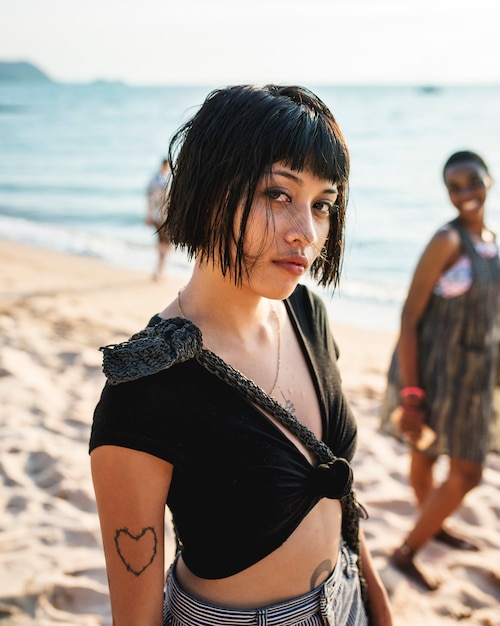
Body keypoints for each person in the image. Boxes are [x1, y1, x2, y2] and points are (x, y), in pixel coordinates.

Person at [90, 84, 393, 626]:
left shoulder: (307, 316)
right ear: (209, 190)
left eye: (322, 205)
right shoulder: (146, 389)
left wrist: (377, 602)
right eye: (279, 194)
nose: (306, 232)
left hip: (348, 599)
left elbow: (337, 485)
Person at [380, 150, 500, 591]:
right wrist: (412, 394)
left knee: (433, 456)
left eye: (473, 182)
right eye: (455, 187)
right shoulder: (447, 241)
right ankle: (407, 551)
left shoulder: (489, 238)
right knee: (464, 470)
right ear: (447, 194)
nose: (466, 192)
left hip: (473, 379)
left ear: (489, 179)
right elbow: (410, 316)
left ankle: (433, 519)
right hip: (433, 375)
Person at [146, 158, 173, 281]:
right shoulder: (164, 181)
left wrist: (149, 215)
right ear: (165, 166)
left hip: (158, 216)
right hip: (163, 217)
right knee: (165, 244)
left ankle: (159, 269)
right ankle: (160, 270)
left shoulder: (154, 180)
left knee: (162, 243)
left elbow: (149, 199)